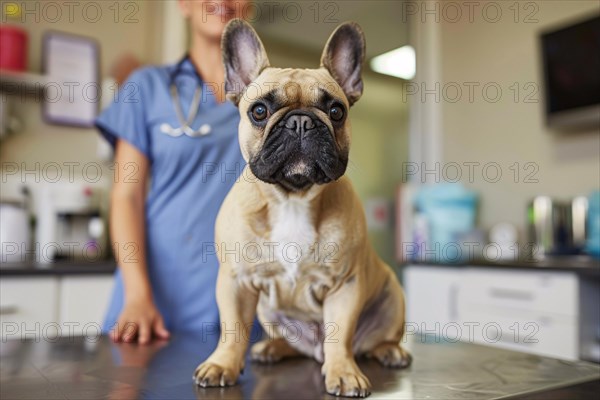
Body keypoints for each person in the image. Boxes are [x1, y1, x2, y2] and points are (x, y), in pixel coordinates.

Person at [96, 0, 249, 344]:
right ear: (183, 4)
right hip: (152, 309)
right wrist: (137, 294)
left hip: (242, 311)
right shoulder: (146, 87)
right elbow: (127, 196)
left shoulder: (267, 98)